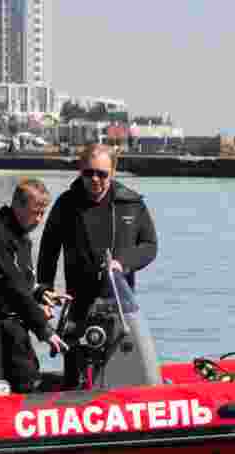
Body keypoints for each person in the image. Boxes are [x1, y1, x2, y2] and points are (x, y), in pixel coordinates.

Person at [36, 143, 158, 388]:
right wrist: (44, 291)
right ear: (80, 170)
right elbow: (48, 250)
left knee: (121, 377)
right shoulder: (66, 204)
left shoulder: (131, 204)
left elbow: (149, 246)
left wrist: (122, 263)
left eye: (101, 174)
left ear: (112, 172)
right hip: (78, 308)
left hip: (119, 310)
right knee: (74, 379)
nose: (94, 179)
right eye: (88, 173)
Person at [0, 178, 70, 393]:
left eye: (42, 213)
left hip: (11, 322)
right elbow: (14, 286)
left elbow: (24, 280)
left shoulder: (20, 236)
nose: (39, 219)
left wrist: (41, 293)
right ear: (17, 206)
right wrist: (45, 330)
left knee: (27, 378)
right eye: (35, 212)